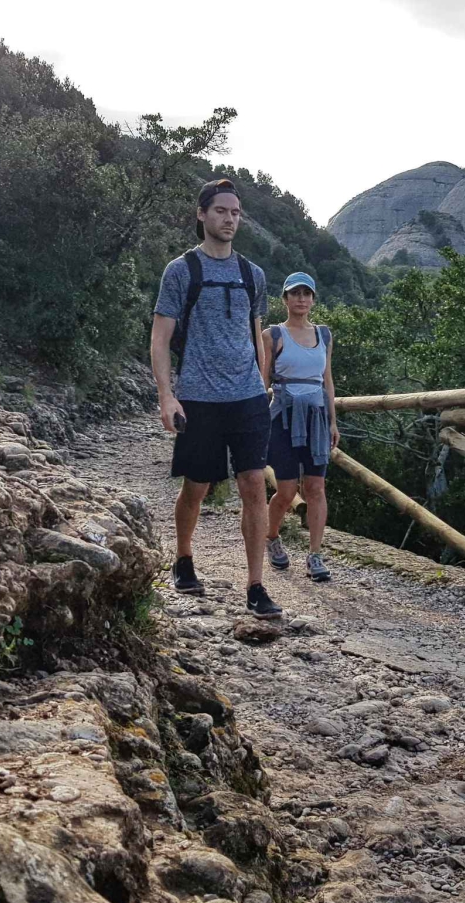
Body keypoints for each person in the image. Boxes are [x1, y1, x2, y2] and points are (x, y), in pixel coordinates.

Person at [150, 178, 284, 619]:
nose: (230, 219)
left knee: (252, 485)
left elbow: (258, 333)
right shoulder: (181, 271)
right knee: (197, 486)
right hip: (200, 397)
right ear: (202, 214)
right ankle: (184, 557)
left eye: (236, 212)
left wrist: (263, 384)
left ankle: (256, 585)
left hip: (247, 397)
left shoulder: (253, 274)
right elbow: (161, 336)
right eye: (222, 211)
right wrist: (167, 396)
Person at [264, 272, 339, 582]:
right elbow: (262, 379)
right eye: (295, 293)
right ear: (285, 299)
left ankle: (315, 555)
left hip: (317, 418)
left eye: (306, 293)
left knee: (316, 487)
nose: (301, 299)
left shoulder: (324, 335)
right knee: (286, 490)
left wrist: (333, 421)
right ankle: (271, 537)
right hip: (282, 417)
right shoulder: (273, 335)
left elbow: (327, 380)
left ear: (313, 299)